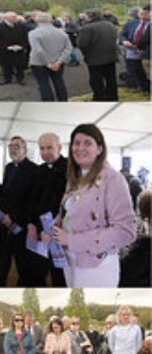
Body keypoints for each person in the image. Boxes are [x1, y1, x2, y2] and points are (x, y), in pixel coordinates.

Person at [50, 123, 136, 288]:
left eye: (87, 143)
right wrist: (54, 228)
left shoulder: (113, 179)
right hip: (70, 260)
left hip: (97, 267)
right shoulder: (74, 177)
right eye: (76, 143)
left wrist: (71, 239)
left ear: (100, 149)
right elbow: (69, 213)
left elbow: (125, 231)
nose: (80, 148)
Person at [0, 136, 37, 287]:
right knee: (2, 256)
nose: (13, 149)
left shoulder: (33, 170)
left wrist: (14, 216)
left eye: (17, 146)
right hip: (4, 221)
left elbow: (31, 200)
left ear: (25, 149)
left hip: (20, 223)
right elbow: (6, 192)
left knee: (21, 259)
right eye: (11, 146)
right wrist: (0, 202)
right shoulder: (9, 167)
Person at [26, 132, 68, 288]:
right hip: (38, 233)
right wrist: (31, 223)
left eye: (49, 148)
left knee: (60, 277)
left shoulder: (71, 169)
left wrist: (53, 232)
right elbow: (32, 199)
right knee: (37, 273)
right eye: (42, 148)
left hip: (60, 234)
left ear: (60, 148)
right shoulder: (38, 170)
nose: (45, 152)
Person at [76, 10, 120, 101]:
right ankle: (113, 97)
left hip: (94, 58)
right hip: (111, 56)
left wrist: (86, 54)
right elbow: (115, 38)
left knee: (96, 80)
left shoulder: (86, 28)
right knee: (111, 79)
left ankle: (99, 97)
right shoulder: (110, 25)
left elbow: (81, 44)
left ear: (90, 16)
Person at [28, 12, 72, 101]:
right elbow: (68, 48)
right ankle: (63, 101)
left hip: (39, 63)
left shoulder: (33, 33)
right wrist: (59, 61)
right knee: (59, 82)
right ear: (51, 20)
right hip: (58, 61)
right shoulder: (61, 32)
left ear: (37, 20)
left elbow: (38, 50)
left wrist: (48, 63)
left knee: (44, 84)